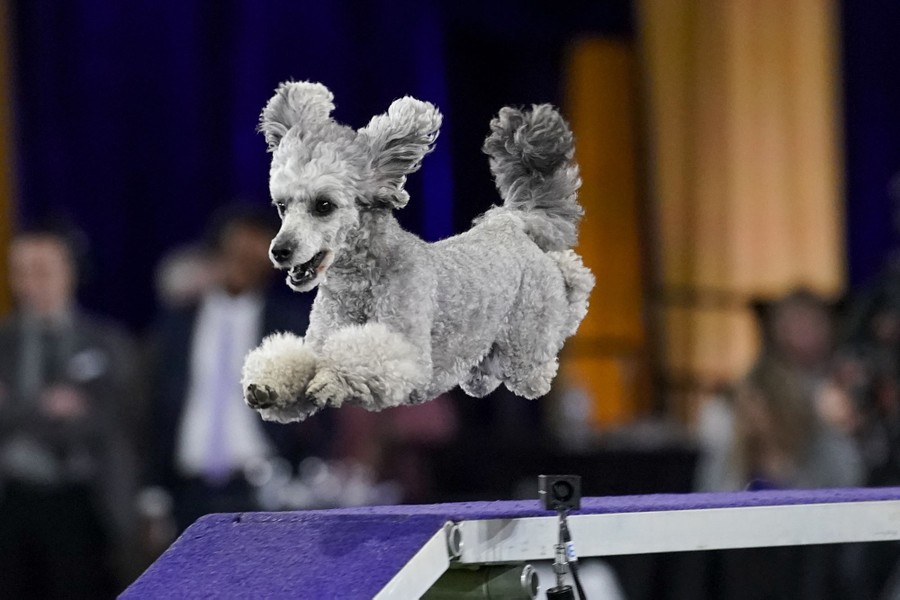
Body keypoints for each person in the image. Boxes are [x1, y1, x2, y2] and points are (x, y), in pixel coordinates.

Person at [144, 205, 333, 533]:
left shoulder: (292, 327)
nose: (242, 266)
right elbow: (154, 406)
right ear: (215, 253)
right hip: (187, 492)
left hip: (264, 491)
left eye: (254, 256)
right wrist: (151, 491)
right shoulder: (177, 326)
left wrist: (303, 472)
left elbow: (320, 405)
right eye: (234, 253)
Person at [0, 225, 139, 598]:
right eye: (22, 271)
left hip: (85, 503)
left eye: (43, 270)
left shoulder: (107, 342)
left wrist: (17, 408)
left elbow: (112, 419)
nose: (32, 283)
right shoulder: (4, 342)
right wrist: (50, 408)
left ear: (70, 271)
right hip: (12, 500)